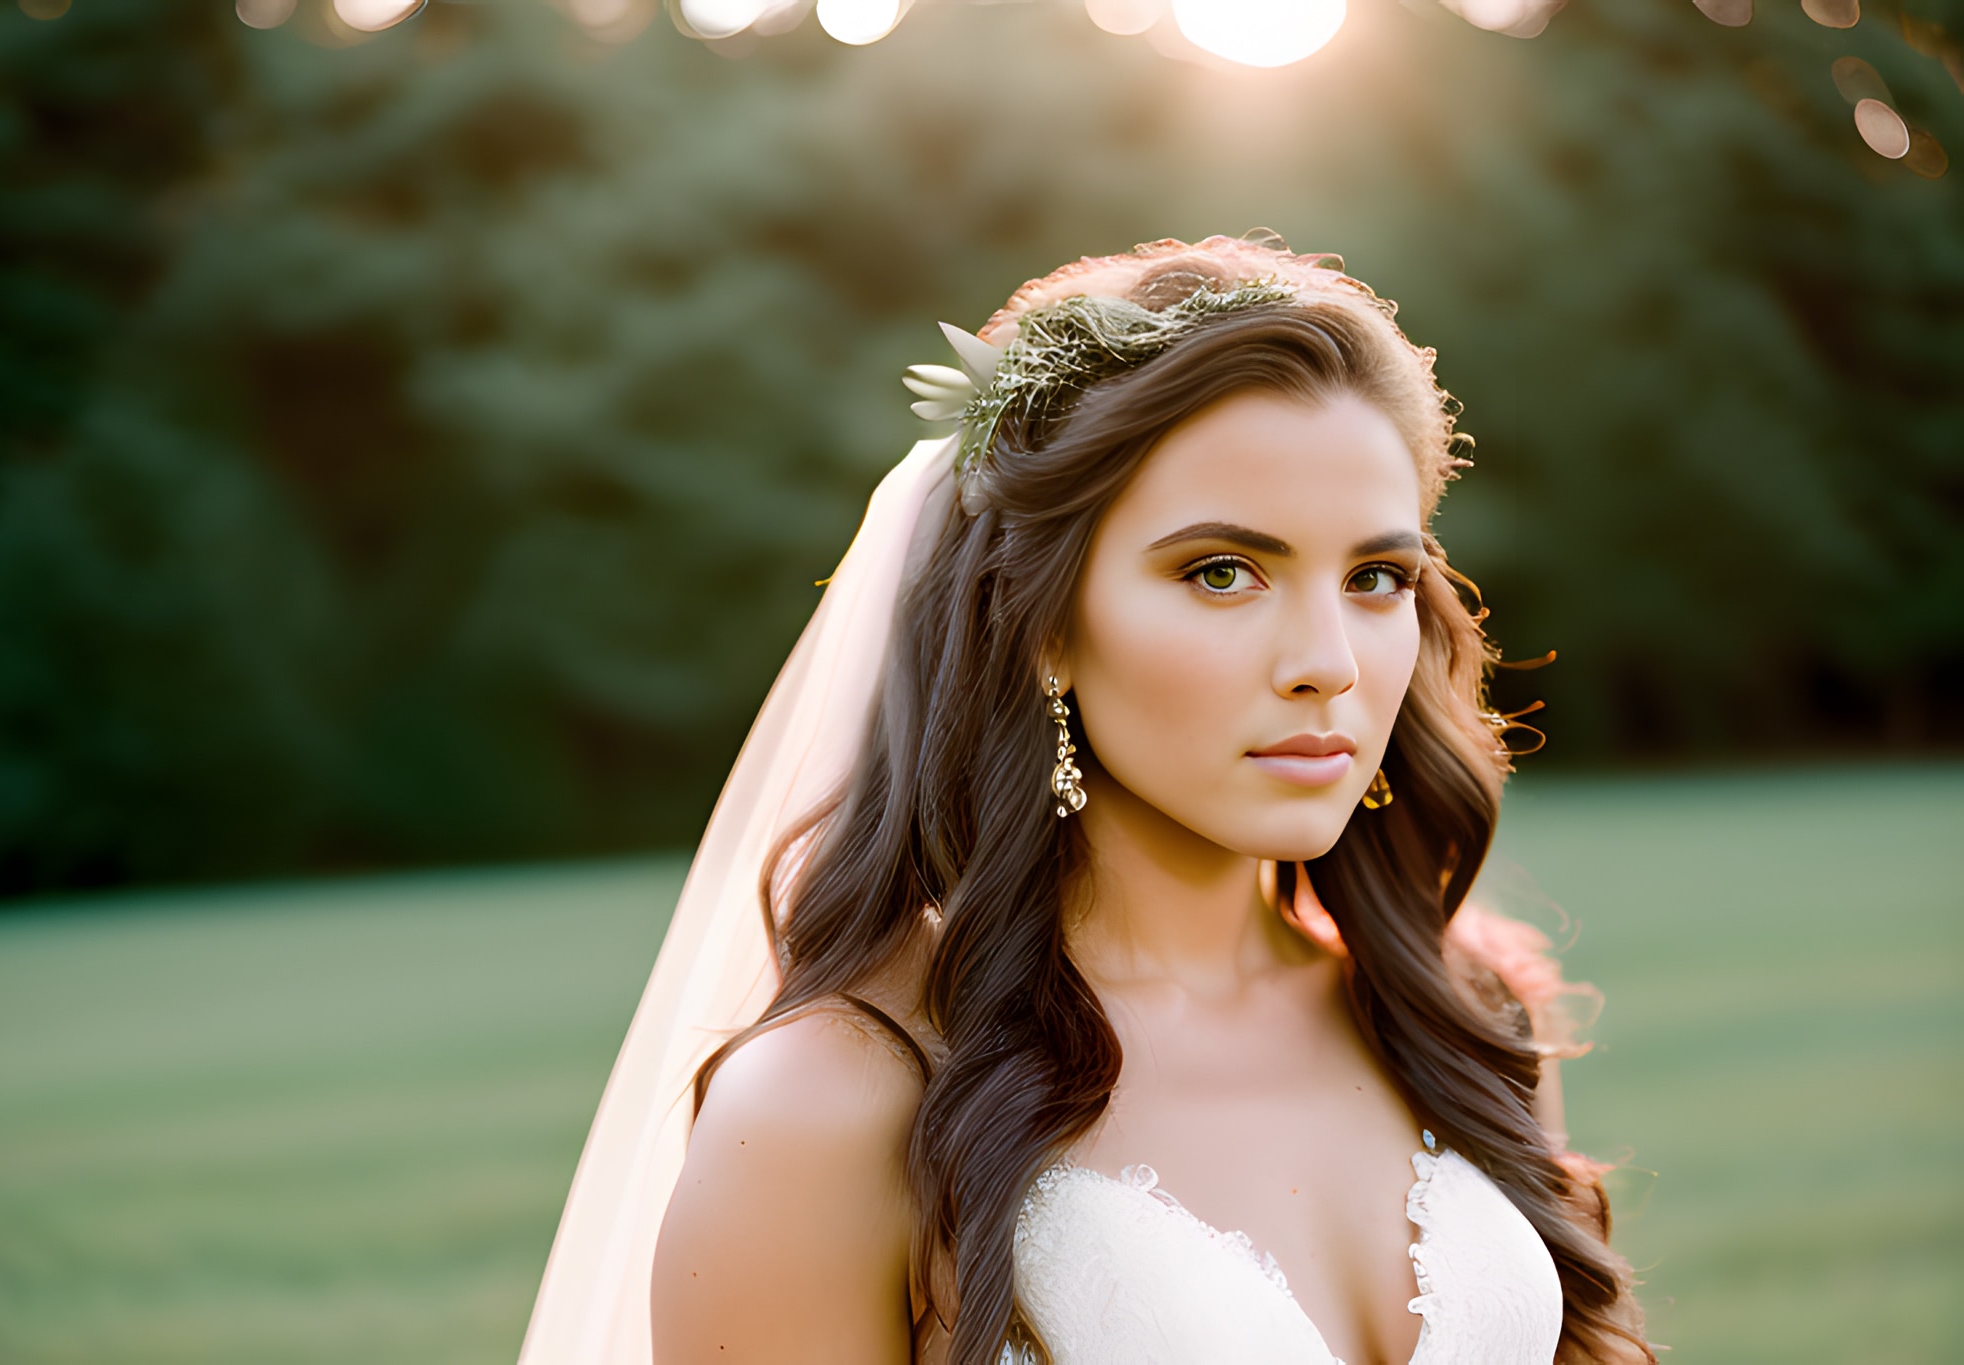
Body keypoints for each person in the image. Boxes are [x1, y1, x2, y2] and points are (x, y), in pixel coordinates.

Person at [519, 235, 1655, 1365]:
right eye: (1221, 571)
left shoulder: (1462, 1019)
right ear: (1045, 624)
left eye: (1374, 578)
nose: (1329, 662)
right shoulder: (834, 1107)